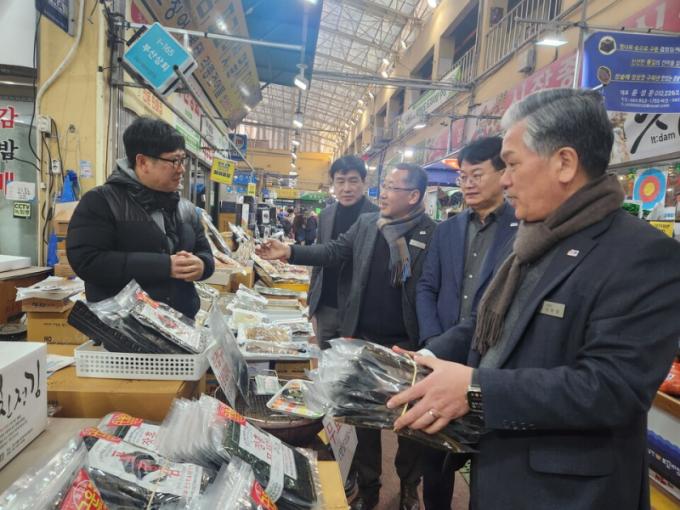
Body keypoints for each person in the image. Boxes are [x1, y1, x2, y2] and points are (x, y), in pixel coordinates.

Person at [387, 88, 680, 510]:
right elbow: (488, 324)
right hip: (500, 470)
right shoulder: (532, 242)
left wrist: (475, 388)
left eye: (511, 164)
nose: (504, 179)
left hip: (569, 494)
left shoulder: (641, 255)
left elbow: (612, 387)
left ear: (564, 163)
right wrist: (425, 359)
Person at [257, 163, 436, 510]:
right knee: (363, 420)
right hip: (363, 341)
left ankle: (408, 486)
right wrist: (290, 252)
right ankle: (369, 488)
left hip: (409, 347)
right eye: (384, 185)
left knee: (410, 425)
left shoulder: (432, 233)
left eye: (393, 187)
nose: (383, 193)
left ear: (413, 196)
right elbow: (334, 251)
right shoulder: (368, 224)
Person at [416, 136, 517, 509]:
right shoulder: (447, 229)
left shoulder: (523, 230)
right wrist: (433, 341)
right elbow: (427, 287)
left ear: (504, 174)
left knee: (487, 464)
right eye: (463, 177)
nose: (468, 184)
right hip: (440, 356)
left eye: (477, 174)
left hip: (491, 364)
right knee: (434, 459)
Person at [67, 117, 215, 319]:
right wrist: (164, 266)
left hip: (180, 325)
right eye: (174, 161)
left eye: (183, 160)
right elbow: (87, 261)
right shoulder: (102, 202)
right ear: (143, 162)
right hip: (124, 328)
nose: (181, 169)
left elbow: (205, 252)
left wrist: (202, 265)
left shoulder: (185, 208)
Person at [309, 155, 378, 348]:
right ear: (333, 184)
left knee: (353, 362)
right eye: (340, 181)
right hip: (326, 307)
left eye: (353, 181)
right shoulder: (326, 215)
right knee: (325, 359)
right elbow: (319, 258)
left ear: (364, 182)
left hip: (359, 311)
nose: (346, 188)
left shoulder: (377, 216)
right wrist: (312, 301)